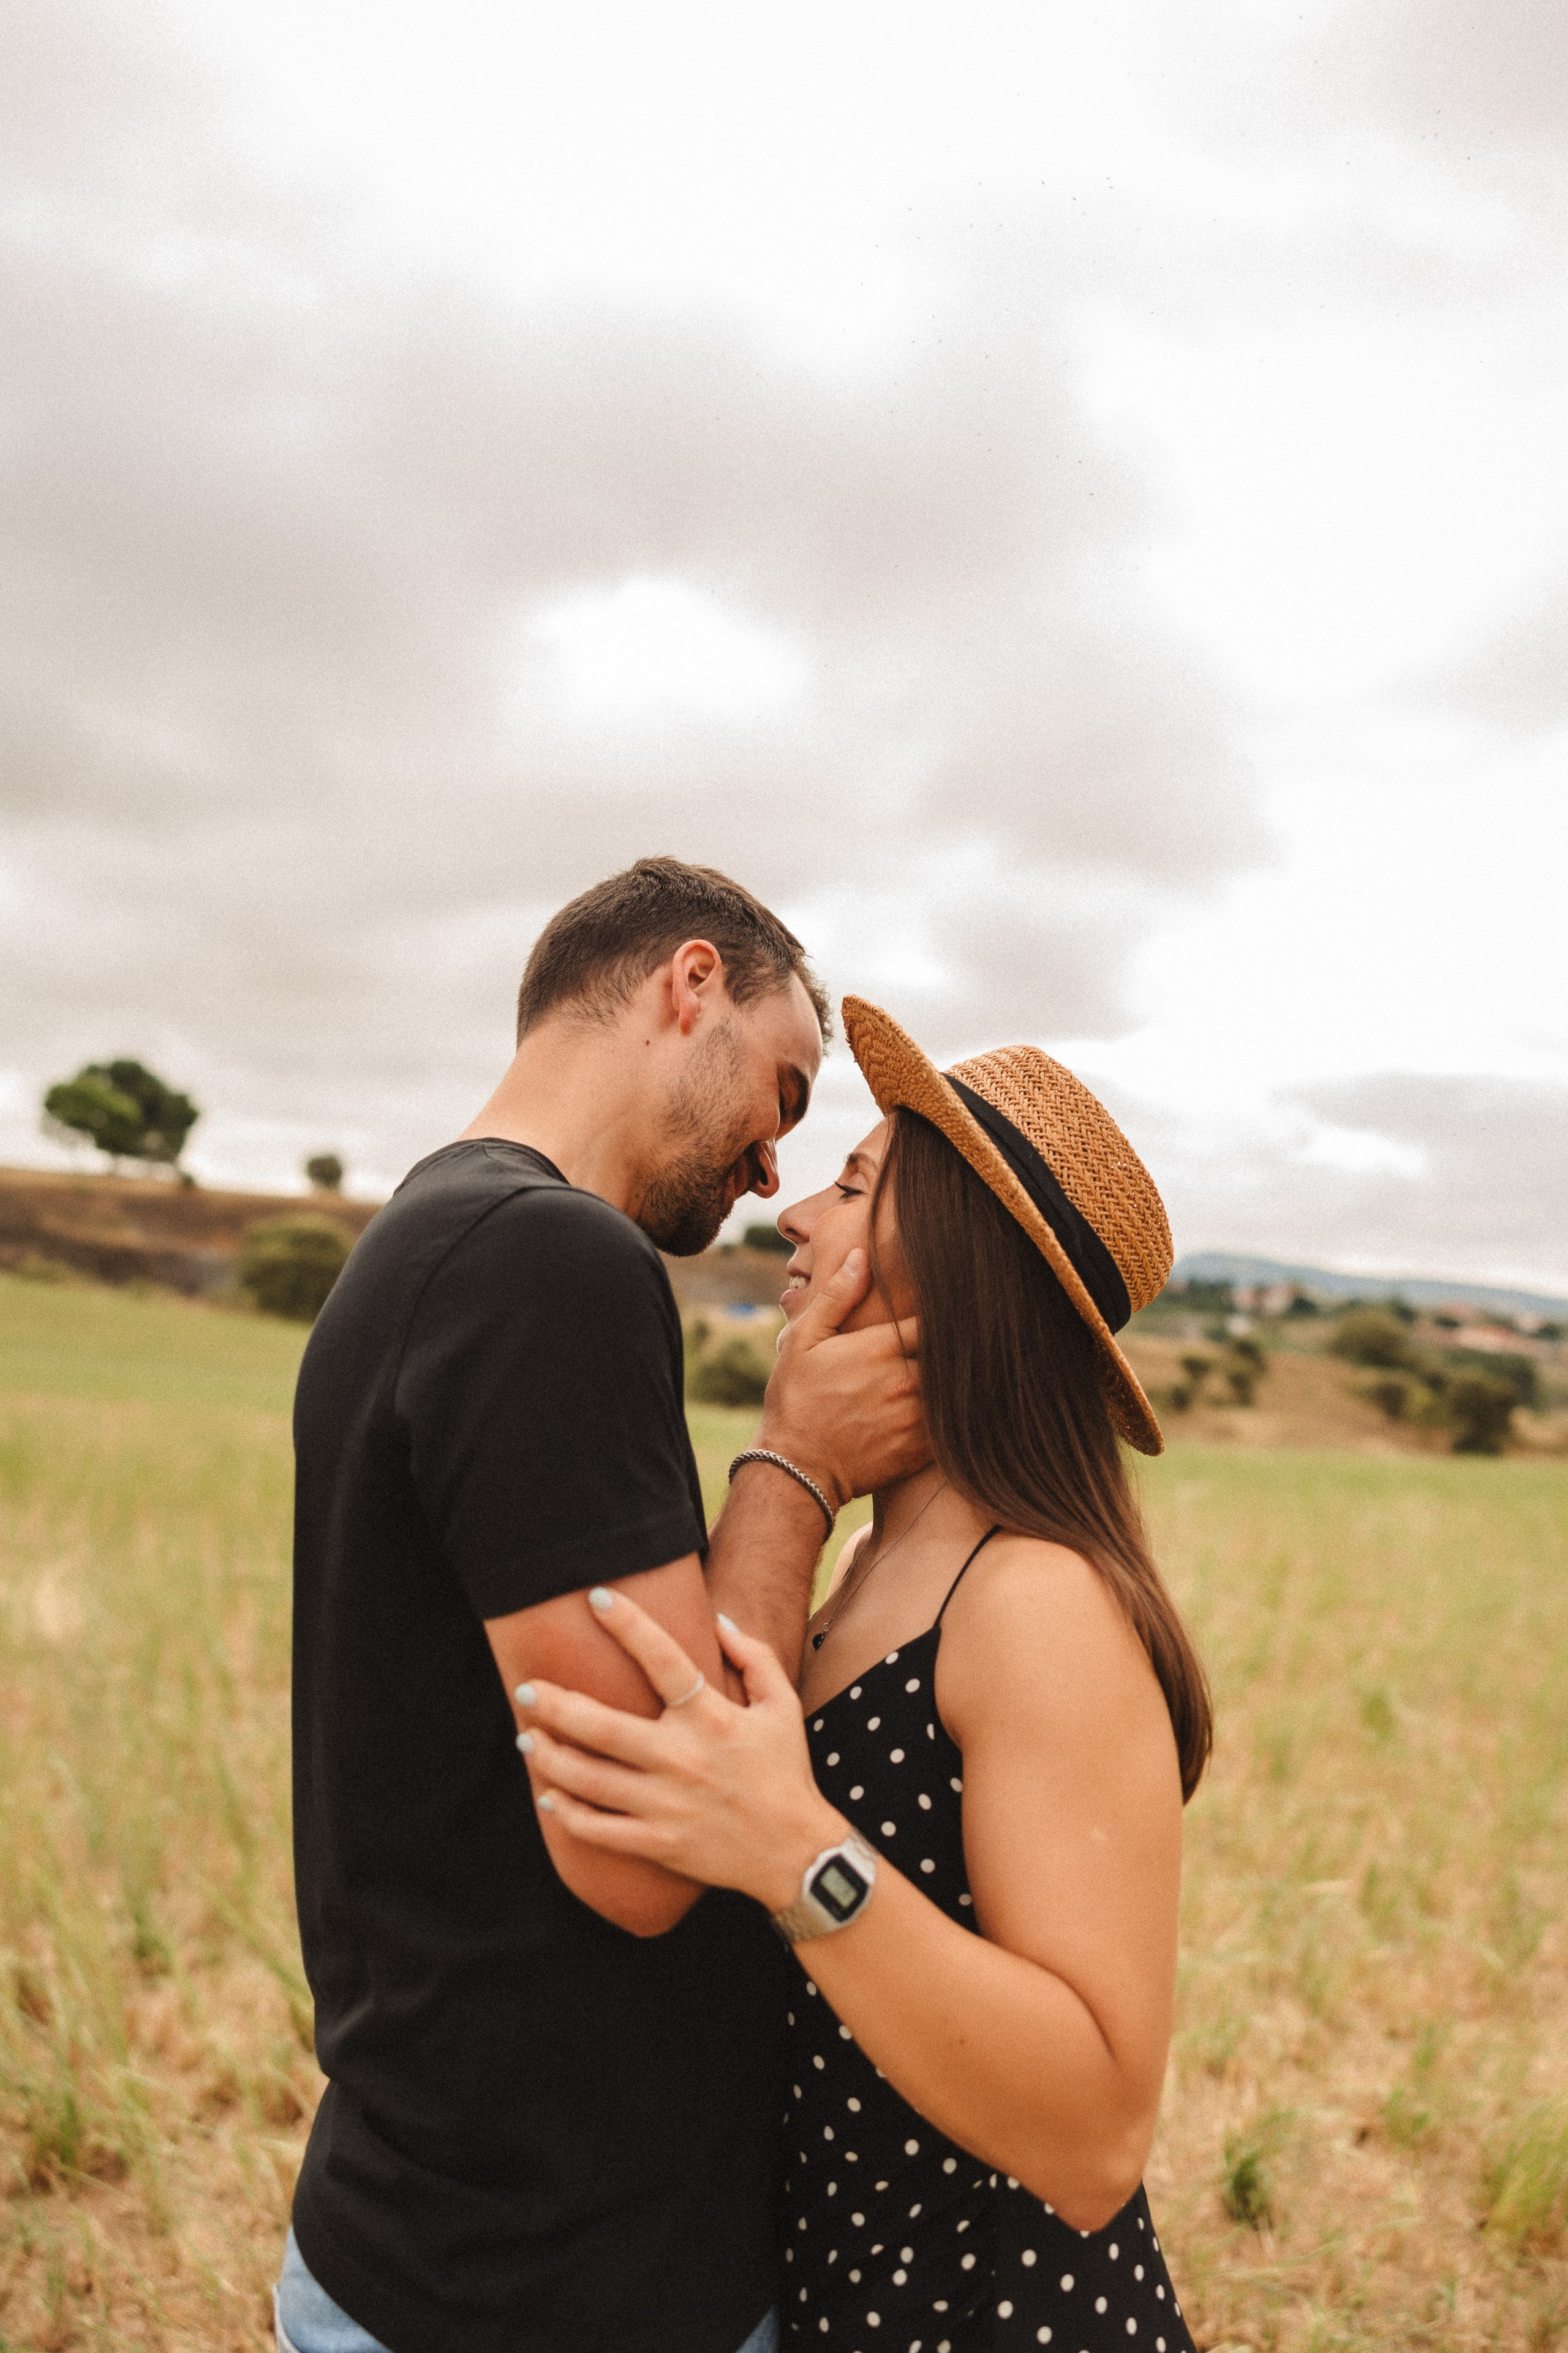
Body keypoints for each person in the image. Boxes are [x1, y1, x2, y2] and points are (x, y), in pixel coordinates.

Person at [282, 870, 925, 2353]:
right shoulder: (546, 1256)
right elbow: (649, 1843)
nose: (775, 1168)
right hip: (546, 2288)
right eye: (782, 1087)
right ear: (685, 985)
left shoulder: (424, 1240)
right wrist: (796, 1463)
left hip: (438, 2238)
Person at [513, 994, 1211, 2353]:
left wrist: (793, 1852)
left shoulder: (1034, 1600)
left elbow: (1095, 2131)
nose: (796, 1218)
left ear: (957, 1269)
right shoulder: (870, 1571)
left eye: (850, 1186)